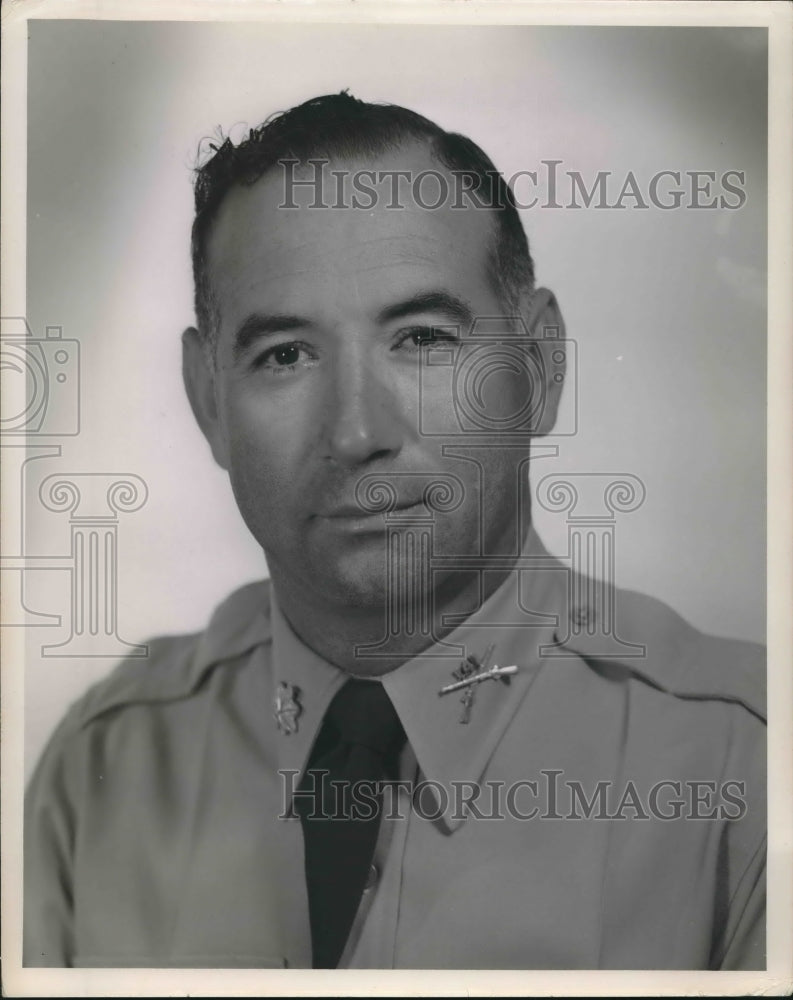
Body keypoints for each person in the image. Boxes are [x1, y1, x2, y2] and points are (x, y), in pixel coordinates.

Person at [24, 92, 765, 970]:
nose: (355, 433)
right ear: (208, 402)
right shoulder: (104, 769)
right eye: (285, 355)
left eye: (419, 338)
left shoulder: (745, 770)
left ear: (536, 369)